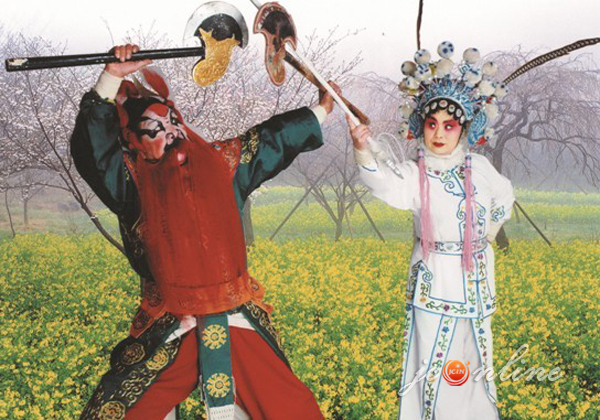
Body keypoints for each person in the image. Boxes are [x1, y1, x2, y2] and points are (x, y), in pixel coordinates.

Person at [71, 44, 339, 420]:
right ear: (133, 143)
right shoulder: (128, 180)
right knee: (117, 412)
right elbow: (93, 153)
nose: (171, 135)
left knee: (292, 410)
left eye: (172, 122)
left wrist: (322, 109)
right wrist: (112, 77)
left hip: (234, 311)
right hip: (168, 320)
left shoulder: (221, 163)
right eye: (154, 131)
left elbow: (272, 140)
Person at [347, 42, 515, 420]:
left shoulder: (480, 168)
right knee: (436, 368)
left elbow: (505, 196)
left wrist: (488, 235)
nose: (439, 133)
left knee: (475, 364)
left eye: (449, 126)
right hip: (434, 282)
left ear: (463, 129)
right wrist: (362, 149)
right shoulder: (414, 174)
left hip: (476, 282)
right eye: (432, 124)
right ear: (421, 126)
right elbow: (382, 182)